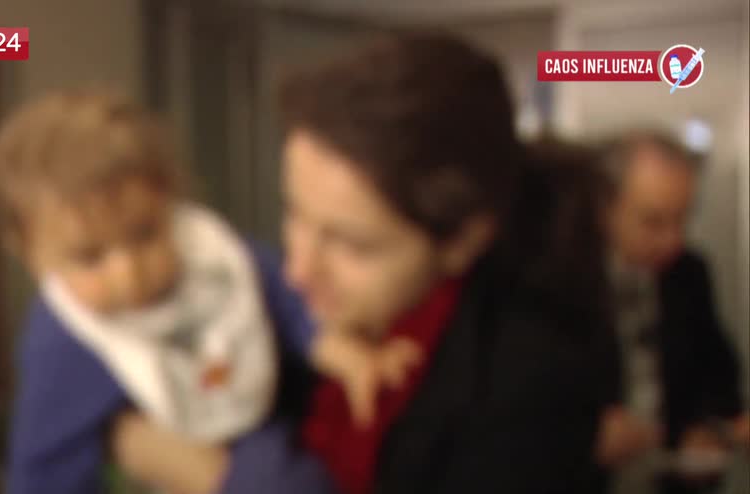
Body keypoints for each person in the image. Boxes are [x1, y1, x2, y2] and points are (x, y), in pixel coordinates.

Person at [113, 31, 616, 494]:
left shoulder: (532, 386)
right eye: (295, 213)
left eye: (351, 245)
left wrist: (205, 474)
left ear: (462, 242)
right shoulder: (307, 313)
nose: (297, 271)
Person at [0, 89, 412, 494]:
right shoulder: (63, 339)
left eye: (145, 234)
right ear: (31, 254)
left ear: (168, 200)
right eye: (90, 257)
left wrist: (344, 354)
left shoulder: (212, 258)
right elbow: (43, 464)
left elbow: (285, 301)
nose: (129, 273)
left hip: (255, 421)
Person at [595, 131, 749, 494]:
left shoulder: (688, 274)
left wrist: (711, 431)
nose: (672, 240)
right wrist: (582, 433)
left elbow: (718, 377)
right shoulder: (562, 283)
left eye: (682, 219)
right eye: (653, 221)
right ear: (604, 209)